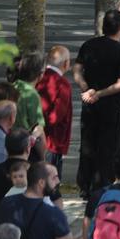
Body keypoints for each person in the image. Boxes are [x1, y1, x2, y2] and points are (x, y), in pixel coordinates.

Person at [72, 12, 120, 195]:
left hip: (89, 103)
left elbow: (77, 69)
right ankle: (102, 183)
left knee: (88, 142)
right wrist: (99, 93)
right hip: (110, 106)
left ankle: (85, 184)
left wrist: (85, 88)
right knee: (108, 146)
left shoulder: (89, 45)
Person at [33, 48, 72, 177]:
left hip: (33, 138)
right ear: (66, 63)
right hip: (53, 141)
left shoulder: (37, 79)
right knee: (50, 181)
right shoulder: (62, 84)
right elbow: (56, 116)